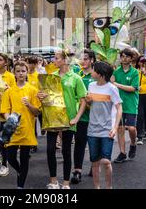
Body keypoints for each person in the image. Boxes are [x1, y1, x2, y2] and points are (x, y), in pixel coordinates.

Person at [37, 50, 87, 189]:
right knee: (50, 149)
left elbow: (83, 100)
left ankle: (65, 183)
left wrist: (76, 118)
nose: (54, 60)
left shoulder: (76, 78)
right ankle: (53, 181)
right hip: (53, 119)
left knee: (66, 151)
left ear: (65, 60)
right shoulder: (50, 76)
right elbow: (45, 97)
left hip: (69, 119)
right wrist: (40, 96)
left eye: (57, 58)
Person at [1, 61, 41, 189]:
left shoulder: (33, 90)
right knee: (10, 157)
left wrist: (29, 104)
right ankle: (20, 172)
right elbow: (5, 110)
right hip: (13, 129)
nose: (21, 73)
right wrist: (11, 120)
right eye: (18, 71)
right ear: (14, 73)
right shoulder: (9, 91)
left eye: (23, 71)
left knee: (25, 158)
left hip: (27, 129)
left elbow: (37, 112)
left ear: (27, 72)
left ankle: (20, 186)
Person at [86, 61, 123, 189]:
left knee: (106, 161)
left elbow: (119, 108)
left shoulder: (112, 88)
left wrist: (115, 127)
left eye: (93, 70)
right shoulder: (90, 86)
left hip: (107, 130)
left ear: (101, 74)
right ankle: (97, 187)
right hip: (92, 130)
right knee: (95, 162)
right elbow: (90, 105)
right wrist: (88, 102)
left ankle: (109, 187)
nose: (91, 71)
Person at [71, 49, 96, 184]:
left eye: (86, 58)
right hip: (80, 116)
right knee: (79, 143)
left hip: (95, 116)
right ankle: (77, 170)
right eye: (82, 58)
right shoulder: (77, 74)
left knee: (93, 143)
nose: (83, 61)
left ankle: (94, 165)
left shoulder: (97, 75)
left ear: (92, 60)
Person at [0, 53, 16, 177]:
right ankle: (3, 152)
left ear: (6, 63)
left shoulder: (10, 76)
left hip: (6, 110)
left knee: (2, 139)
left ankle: (4, 165)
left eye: (1, 60)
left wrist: (9, 88)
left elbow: (15, 91)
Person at [112, 48, 140, 163]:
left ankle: (133, 143)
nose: (124, 58)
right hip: (119, 105)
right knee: (120, 129)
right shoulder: (116, 72)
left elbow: (133, 88)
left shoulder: (134, 72)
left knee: (132, 128)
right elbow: (111, 86)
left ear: (131, 58)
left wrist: (116, 84)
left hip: (131, 104)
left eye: (127, 56)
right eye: (122, 56)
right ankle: (122, 153)